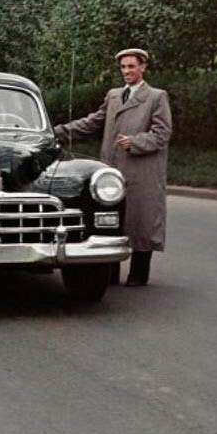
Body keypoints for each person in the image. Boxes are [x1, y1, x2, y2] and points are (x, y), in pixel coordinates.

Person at [53, 48, 172, 286]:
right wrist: (55, 132)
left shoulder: (156, 97)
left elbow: (162, 133)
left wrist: (136, 142)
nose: (127, 71)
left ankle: (139, 275)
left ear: (143, 67)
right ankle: (111, 275)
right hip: (112, 169)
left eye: (131, 66)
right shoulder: (114, 95)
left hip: (142, 170)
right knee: (111, 219)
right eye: (123, 67)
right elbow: (93, 121)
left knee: (142, 220)